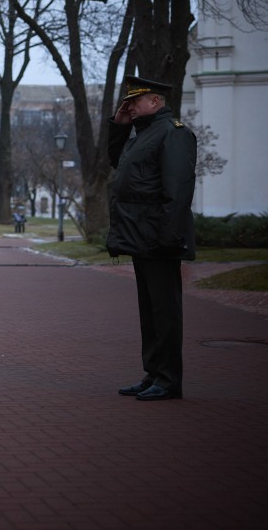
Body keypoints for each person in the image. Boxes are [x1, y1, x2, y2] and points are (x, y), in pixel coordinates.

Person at [108, 76, 196, 402]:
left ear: (155, 102)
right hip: (141, 236)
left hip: (159, 237)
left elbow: (178, 189)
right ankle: (153, 374)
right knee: (150, 312)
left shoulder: (174, 133)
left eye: (135, 101)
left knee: (165, 312)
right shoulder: (142, 135)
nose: (129, 106)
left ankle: (169, 379)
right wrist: (118, 126)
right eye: (128, 102)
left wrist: (169, 237)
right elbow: (117, 163)